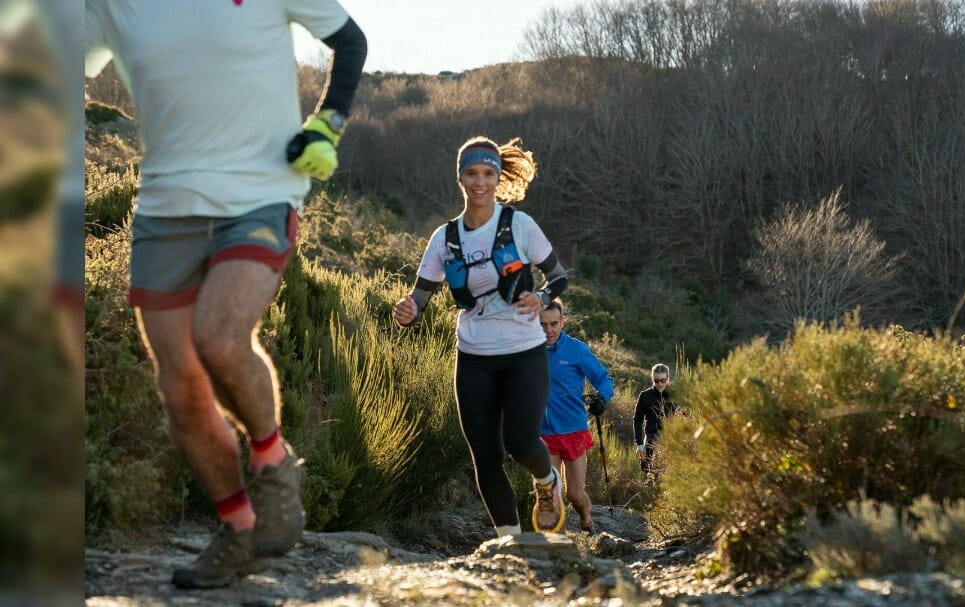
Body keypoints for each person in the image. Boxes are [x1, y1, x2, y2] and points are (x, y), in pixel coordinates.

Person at [85, 0, 366, 589]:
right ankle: (238, 530)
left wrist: (328, 122)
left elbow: (350, 40)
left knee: (219, 338)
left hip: (260, 192)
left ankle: (273, 463)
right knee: (180, 389)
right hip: (165, 206)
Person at [392, 136, 570, 537]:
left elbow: (558, 277)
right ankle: (509, 543)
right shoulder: (444, 239)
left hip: (524, 353)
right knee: (485, 457)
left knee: (521, 443)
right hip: (473, 358)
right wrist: (407, 312)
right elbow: (419, 298)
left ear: (498, 177)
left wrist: (541, 298)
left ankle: (546, 482)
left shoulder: (519, 225)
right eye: (472, 173)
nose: (480, 182)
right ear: (460, 178)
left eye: (488, 173)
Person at [539, 298, 614, 535]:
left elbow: (604, 379)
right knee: (548, 494)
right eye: (542, 325)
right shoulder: (527, 351)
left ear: (562, 322)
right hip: (542, 433)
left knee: (574, 494)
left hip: (573, 430)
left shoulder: (576, 350)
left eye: (553, 324)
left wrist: (602, 399)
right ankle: (557, 544)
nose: (549, 330)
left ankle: (586, 520)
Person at [634, 363, 678, 479]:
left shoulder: (676, 395)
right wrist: (639, 444)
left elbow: (686, 417)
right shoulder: (644, 396)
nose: (660, 384)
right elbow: (637, 420)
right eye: (656, 380)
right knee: (646, 469)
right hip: (651, 438)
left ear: (668, 379)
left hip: (671, 439)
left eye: (663, 380)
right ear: (652, 378)